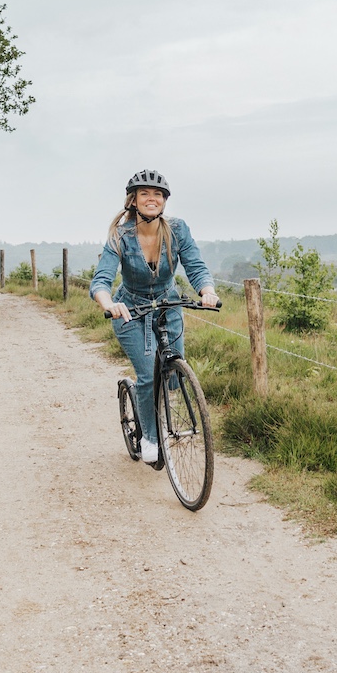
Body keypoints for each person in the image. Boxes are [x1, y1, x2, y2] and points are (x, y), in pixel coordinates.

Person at [89, 170, 218, 464]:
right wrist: (108, 303)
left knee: (173, 376)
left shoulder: (177, 229)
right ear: (133, 200)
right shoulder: (120, 235)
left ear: (164, 201)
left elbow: (196, 266)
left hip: (167, 306)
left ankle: (148, 398)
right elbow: (102, 279)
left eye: (158, 194)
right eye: (145, 193)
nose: (152, 198)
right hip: (130, 311)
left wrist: (207, 291)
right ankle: (150, 435)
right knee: (148, 375)